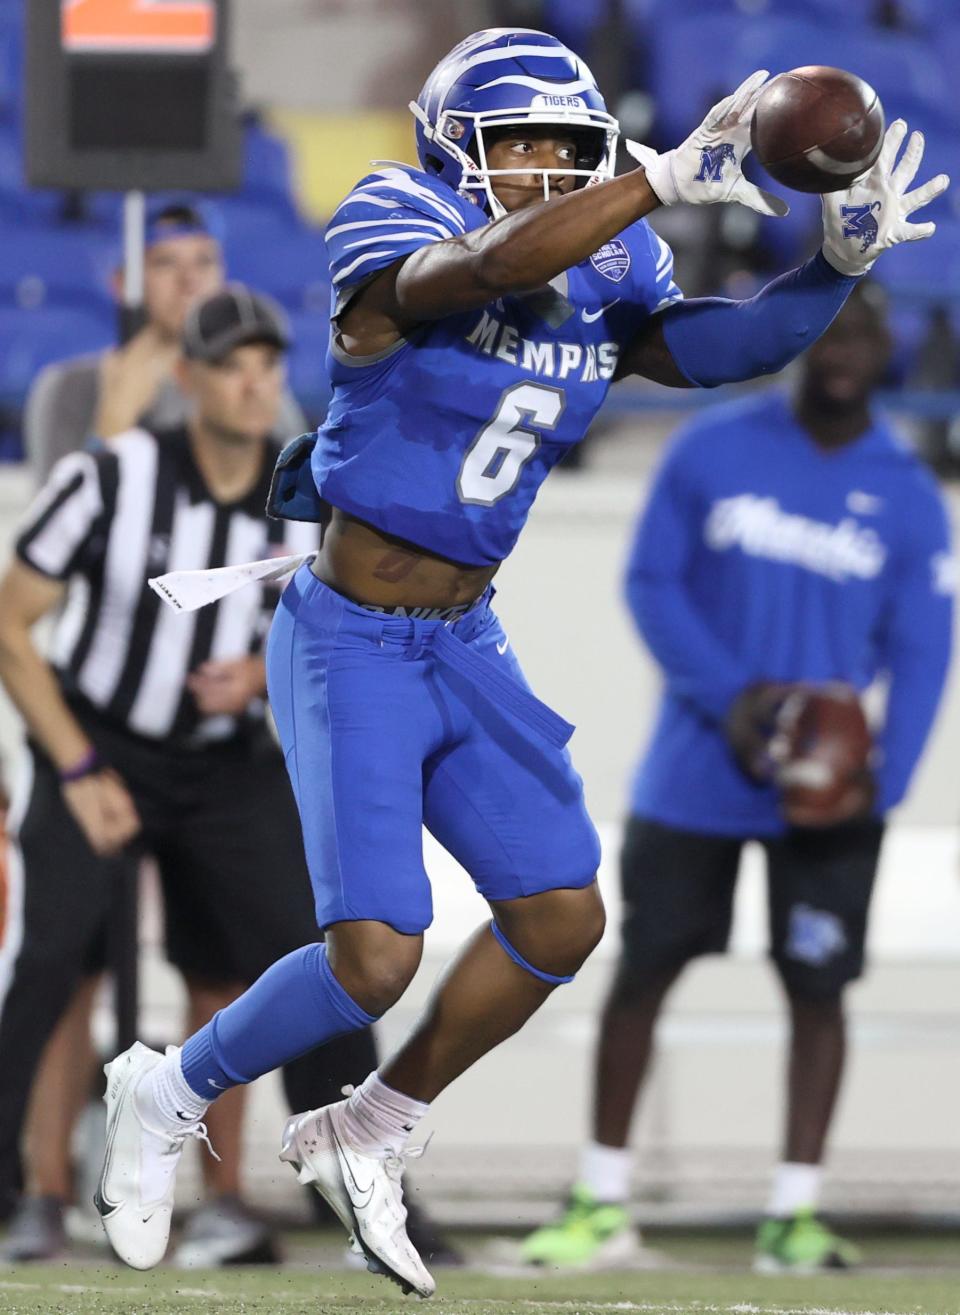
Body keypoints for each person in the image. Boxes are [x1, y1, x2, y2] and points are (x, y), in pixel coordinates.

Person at [91, 28, 948, 1297]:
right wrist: (651, 180)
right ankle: (166, 1086)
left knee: (562, 916)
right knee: (377, 951)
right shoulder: (396, 215)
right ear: (455, 147)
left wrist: (829, 267)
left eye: (570, 146)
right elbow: (475, 268)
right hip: (350, 633)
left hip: (464, 635)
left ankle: (371, 1126)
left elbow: (718, 349)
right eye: (520, 145)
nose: (548, 169)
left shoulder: (611, 257)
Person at [521, 283, 954, 1273]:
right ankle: (600, 1199)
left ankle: (793, 1215)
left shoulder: (907, 491)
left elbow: (926, 650)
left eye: (864, 328)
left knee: (818, 989)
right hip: (698, 770)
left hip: (830, 795)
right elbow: (650, 584)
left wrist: (879, 786)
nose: (844, 345)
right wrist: (733, 698)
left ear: (888, 348)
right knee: (645, 972)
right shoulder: (709, 450)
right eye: (830, 324)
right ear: (803, 339)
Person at [0, 287, 383, 1267]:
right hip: (104, 741)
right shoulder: (111, 476)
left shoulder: (313, 491)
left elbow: (349, 638)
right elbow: (10, 621)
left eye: (266, 364)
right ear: (189, 380)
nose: (255, 384)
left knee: (308, 957)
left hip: (229, 760)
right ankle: (26, 1192)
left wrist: (257, 673)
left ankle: (355, 1187)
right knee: (51, 957)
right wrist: (79, 765)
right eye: (231, 365)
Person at [23, 199, 305, 482]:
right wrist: (115, 417)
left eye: (204, 261)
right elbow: (59, 516)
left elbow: (291, 505)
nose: (190, 279)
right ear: (122, 282)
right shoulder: (70, 389)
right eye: (165, 262)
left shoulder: (256, 387)